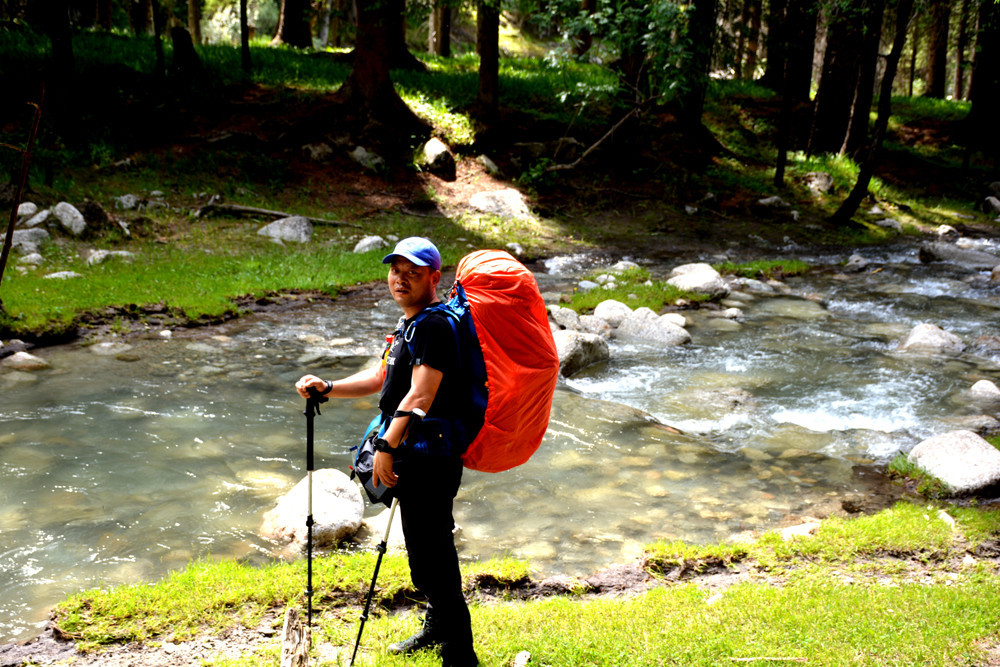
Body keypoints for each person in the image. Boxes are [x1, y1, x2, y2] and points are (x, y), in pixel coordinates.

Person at [295, 237, 478, 667]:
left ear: (435, 277)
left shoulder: (433, 325)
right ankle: (438, 628)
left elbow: (421, 394)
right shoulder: (409, 324)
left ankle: (460, 653)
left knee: (434, 557)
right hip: (416, 451)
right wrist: (330, 387)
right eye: (395, 270)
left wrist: (385, 445)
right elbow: (383, 378)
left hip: (429, 457)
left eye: (413, 272)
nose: (401, 279)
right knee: (425, 553)